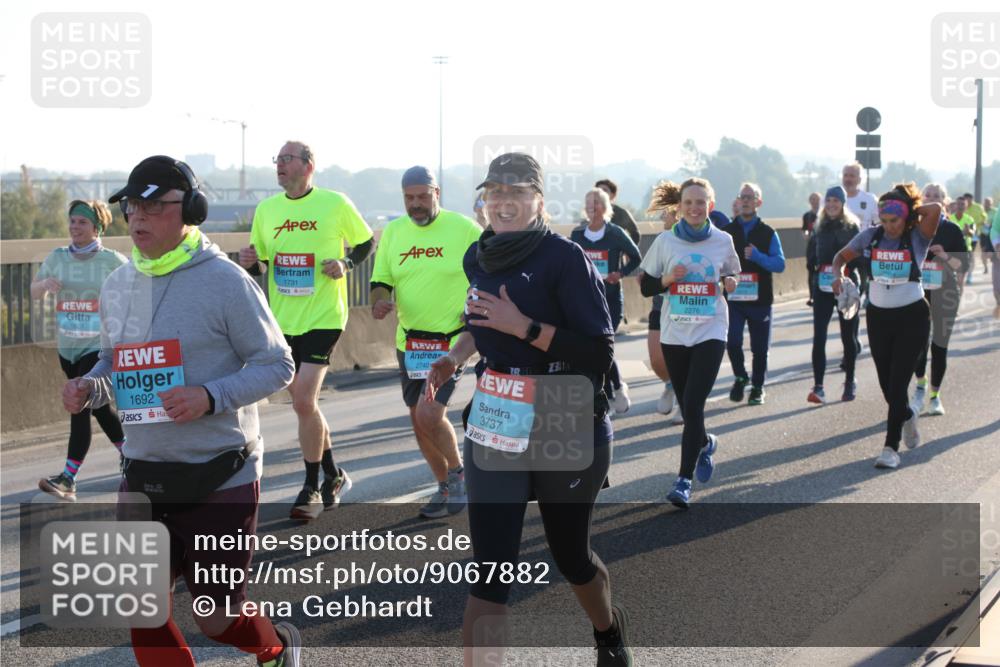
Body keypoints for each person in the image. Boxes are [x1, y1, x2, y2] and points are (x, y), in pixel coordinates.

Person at [63, 155, 299, 666]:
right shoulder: (118, 285)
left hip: (220, 473)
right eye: (131, 207)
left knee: (217, 620)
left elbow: (279, 365)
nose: (138, 217)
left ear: (191, 210)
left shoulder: (226, 281)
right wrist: (90, 387)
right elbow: (114, 363)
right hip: (144, 471)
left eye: (153, 206)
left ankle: (278, 646)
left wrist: (209, 396)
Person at [424, 153, 632, 666]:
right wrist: (454, 357)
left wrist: (523, 327)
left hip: (565, 412)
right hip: (498, 413)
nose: (502, 202)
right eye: (494, 192)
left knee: (570, 556)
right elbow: (481, 322)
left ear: (538, 200)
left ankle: (608, 632)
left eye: (515, 192)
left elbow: (598, 352)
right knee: (490, 569)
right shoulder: (478, 256)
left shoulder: (565, 258)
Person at [239, 140, 373, 521]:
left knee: (302, 401)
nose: (279, 165)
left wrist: (345, 263)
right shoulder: (267, 210)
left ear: (308, 166)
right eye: (277, 159)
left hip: (324, 317)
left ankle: (311, 487)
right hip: (283, 321)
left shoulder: (335, 203)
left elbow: (365, 243)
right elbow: (260, 265)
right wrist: (250, 261)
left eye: (287, 159)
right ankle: (334, 475)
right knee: (305, 404)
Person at [369, 166, 482, 519]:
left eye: (422, 196)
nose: (415, 204)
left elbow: (488, 273)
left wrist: (475, 304)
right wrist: (379, 302)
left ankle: (458, 472)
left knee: (429, 412)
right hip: (410, 343)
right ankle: (444, 485)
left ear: (436, 194)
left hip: (451, 342)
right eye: (409, 198)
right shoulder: (394, 232)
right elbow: (381, 280)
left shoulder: (465, 229)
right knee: (419, 421)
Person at [639, 177, 741, 507]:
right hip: (675, 332)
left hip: (711, 329)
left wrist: (730, 282)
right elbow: (645, 286)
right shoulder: (666, 241)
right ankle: (705, 442)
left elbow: (732, 274)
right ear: (680, 207)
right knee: (687, 404)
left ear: (710, 206)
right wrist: (668, 279)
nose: (694, 208)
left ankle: (683, 481)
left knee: (694, 405)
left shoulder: (723, 240)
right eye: (688, 203)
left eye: (700, 203)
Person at [832, 183, 942, 469]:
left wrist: (910, 209)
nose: (890, 226)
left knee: (898, 382)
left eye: (895, 220)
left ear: (905, 218)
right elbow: (840, 257)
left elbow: (935, 209)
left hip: (912, 316)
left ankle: (890, 448)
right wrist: (837, 275)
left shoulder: (917, 236)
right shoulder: (871, 236)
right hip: (879, 317)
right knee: (887, 386)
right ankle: (906, 415)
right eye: (885, 220)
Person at [32, 199, 127, 500]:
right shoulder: (58, 257)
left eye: (82, 222)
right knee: (99, 408)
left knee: (79, 405)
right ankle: (131, 455)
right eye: (72, 221)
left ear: (97, 227)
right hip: (67, 348)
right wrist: (44, 285)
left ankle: (68, 479)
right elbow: (34, 292)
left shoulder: (112, 260)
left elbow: (136, 288)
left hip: (97, 348)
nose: (75, 227)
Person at [571, 187, 643, 415]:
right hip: (586, 299)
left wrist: (620, 273)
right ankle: (610, 394)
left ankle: (617, 388)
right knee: (594, 348)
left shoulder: (615, 233)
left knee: (604, 345)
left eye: (596, 203)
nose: (591, 207)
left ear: (605, 207)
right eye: (588, 203)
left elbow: (636, 257)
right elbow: (570, 263)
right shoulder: (577, 235)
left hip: (610, 298)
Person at [723, 182, 786, 405]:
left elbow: (780, 264)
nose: (746, 201)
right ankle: (741, 376)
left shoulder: (768, 233)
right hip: (734, 299)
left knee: (759, 348)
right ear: (738, 201)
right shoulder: (727, 232)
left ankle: (758, 387)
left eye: (750, 197)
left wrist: (759, 256)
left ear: (759, 202)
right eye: (743, 197)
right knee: (732, 342)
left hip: (760, 300)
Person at [911, 184, 970, 416]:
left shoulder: (951, 229)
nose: (932, 199)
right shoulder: (913, 228)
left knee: (939, 346)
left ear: (945, 202)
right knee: (918, 343)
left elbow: (963, 265)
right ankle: (920, 385)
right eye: (928, 195)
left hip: (945, 292)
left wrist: (944, 255)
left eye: (937, 196)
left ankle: (935, 396)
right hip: (917, 292)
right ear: (921, 199)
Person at [805, 186, 862, 403]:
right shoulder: (819, 226)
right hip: (823, 288)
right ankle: (818, 386)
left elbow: (860, 259)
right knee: (819, 337)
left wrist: (857, 286)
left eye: (835, 201)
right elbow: (811, 259)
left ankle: (850, 380)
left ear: (842, 203)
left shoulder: (852, 227)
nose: (831, 204)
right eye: (828, 200)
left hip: (846, 287)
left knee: (848, 336)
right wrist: (813, 286)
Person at [642, 181, 684, 420]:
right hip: (660, 305)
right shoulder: (662, 239)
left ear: (676, 213)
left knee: (683, 359)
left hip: (685, 307)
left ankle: (685, 402)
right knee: (657, 360)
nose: (661, 218)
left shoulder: (694, 238)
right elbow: (649, 275)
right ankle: (670, 384)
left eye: (665, 214)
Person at [594, 178, 641, 244]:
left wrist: (627, 249)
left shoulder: (622, 213)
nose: (601, 193)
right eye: (598, 191)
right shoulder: (590, 212)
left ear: (613, 195)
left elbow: (635, 234)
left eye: (605, 190)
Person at [842, 161, 879, 230]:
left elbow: (879, 223)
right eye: (845, 175)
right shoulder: (833, 200)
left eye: (852, 176)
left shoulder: (870, 199)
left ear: (860, 179)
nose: (848, 179)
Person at [949, 195, 976, 285]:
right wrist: (961, 233)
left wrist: (968, 231)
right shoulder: (949, 218)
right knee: (951, 278)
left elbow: (973, 233)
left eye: (963, 204)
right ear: (955, 205)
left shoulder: (969, 219)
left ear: (966, 206)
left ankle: (959, 293)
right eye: (958, 204)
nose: (960, 206)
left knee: (960, 280)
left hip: (965, 250)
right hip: (951, 251)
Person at [803, 192, 821, 306]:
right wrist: (806, 234)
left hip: (822, 246)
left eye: (816, 199)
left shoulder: (823, 214)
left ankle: (821, 294)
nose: (814, 202)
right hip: (811, 247)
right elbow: (804, 229)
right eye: (812, 199)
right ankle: (812, 296)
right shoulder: (807, 216)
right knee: (811, 271)